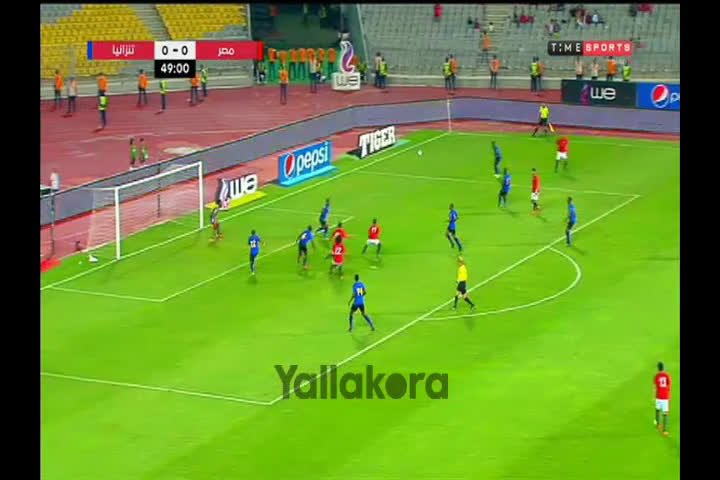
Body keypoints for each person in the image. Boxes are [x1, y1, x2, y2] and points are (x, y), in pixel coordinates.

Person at [654, 362, 671, 437]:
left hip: (658, 396)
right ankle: (665, 430)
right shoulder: (667, 375)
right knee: (665, 412)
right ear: (664, 368)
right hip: (665, 396)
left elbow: (655, 387)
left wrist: (654, 396)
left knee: (657, 409)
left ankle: (658, 424)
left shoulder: (656, 376)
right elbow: (669, 387)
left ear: (658, 368)